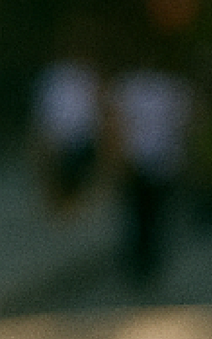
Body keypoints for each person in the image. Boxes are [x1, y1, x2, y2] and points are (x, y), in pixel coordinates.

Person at [107, 59, 194, 285]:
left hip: (151, 158)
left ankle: (144, 261)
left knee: (145, 212)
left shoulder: (132, 86)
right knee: (146, 212)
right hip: (148, 158)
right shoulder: (166, 86)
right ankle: (143, 261)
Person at [29, 50, 101, 212]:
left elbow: (94, 113)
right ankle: (56, 199)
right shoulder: (53, 79)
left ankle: (70, 200)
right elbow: (44, 114)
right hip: (58, 137)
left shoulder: (88, 79)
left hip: (80, 139)